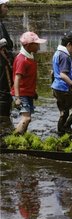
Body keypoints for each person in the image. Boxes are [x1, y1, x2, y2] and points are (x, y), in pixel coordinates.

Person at [10, 32, 46, 134]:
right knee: (26, 118)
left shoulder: (30, 57)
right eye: (37, 44)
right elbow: (17, 79)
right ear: (29, 45)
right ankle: (15, 139)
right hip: (21, 93)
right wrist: (17, 98)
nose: (39, 46)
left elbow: (29, 78)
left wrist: (33, 92)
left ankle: (21, 137)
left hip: (28, 92)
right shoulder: (22, 60)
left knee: (28, 118)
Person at [0, 0, 14, 136]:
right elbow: (2, 49)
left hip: (3, 63)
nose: (7, 9)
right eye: (5, 6)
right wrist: (10, 63)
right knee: (4, 91)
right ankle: (4, 121)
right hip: (2, 64)